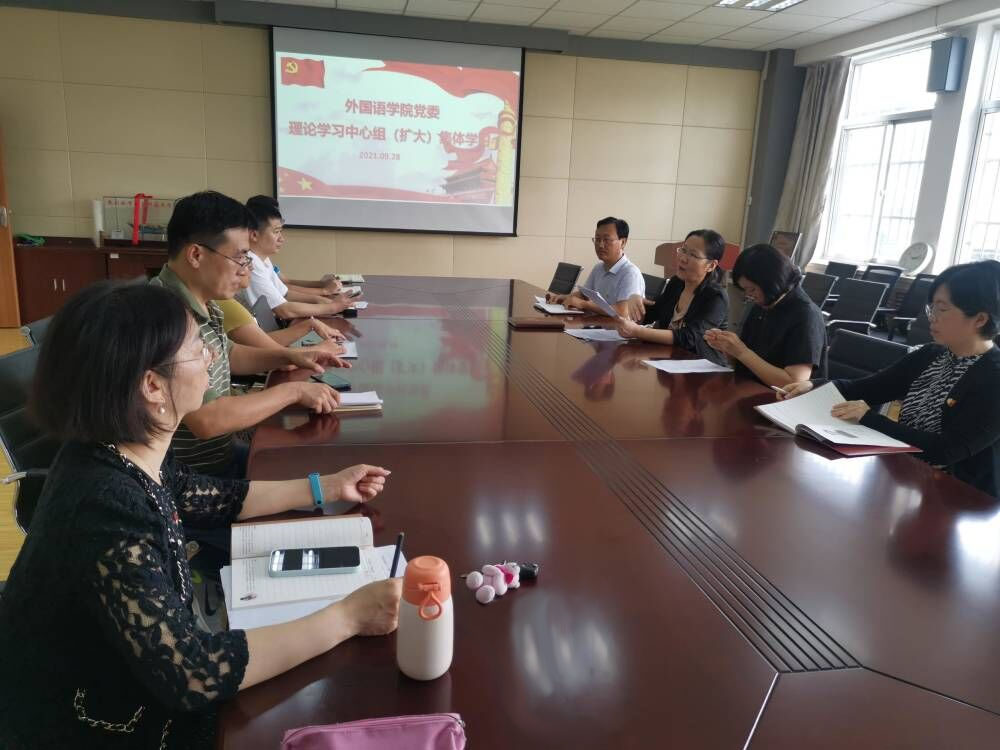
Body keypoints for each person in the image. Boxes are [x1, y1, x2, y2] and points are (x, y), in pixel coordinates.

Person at [0, 281, 402, 749]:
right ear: (152, 385)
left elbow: (208, 496)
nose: (212, 358)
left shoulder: (119, 450)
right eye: (197, 349)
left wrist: (325, 487)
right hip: (89, 723)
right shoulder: (105, 505)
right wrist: (349, 617)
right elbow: (193, 673)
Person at [152, 190, 347, 478]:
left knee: (321, 463)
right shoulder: (166, 316)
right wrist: (294, 391)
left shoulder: (203, 301)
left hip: (223, 453)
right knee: (317, 468)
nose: (245, 272)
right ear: (196, 255)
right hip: (194, 476)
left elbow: (230, 354)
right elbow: (208, 420)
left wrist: (291, 356)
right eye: (240, 258)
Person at [779, 261, 1000, 498]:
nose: (932, 317)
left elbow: (945, 450)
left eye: (942, 309)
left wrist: (869, 418)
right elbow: (868, 388)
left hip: (962, 499)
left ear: (979, 319)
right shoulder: (931, 355)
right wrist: (814, 385)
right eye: (932, 308)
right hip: (910, 478)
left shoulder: (993, 377)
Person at [704, 243, 826, 387]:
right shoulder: (763, 305)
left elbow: (794, 382)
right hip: (749, 388)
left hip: (782, 399)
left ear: (772, 283)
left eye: (752, 289)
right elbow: (747, 362)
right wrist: (728, 348)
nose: (748, 295)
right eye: (745, 290)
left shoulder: (805, 315)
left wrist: (742, 352)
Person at [616, 229, 729, 365]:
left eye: (693, 255)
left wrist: (637, 332)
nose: (683, 258)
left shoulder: (716, 297)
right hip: (668, 361)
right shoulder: (677, 283)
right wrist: (635, 300)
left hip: (702, 367)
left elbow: (689, 337)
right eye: (683, 250)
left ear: (711, 265)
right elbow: (653, 313)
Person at [243, 195, 358, 319]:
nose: (282, 239)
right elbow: (284, 310)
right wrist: (332, 306)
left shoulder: (262, 258)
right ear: (254, 235)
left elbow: (285, 293)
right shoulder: (250, 263)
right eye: (276, 232)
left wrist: (320, 300)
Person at [546, 217, 644, 319]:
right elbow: (584, 295)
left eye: (606, 240)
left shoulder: (630, 273)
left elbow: (623, 311)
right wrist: (563, 297)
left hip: (616, 328)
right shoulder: (598, 268)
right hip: (595, 323)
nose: (600, 245)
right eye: (597, 239)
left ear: (623, 242)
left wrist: (584, 304)